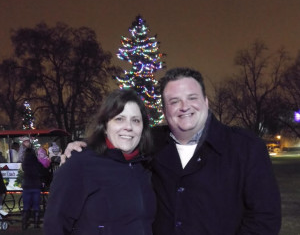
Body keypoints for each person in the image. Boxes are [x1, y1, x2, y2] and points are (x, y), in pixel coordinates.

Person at [63, 67, 281, 234]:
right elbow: (117, 141)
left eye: (192, 98)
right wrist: (84, 147)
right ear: (165, 109)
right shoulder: (151, 143)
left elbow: (265, 218)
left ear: (206, 101)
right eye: (174, 101)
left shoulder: (244, 147)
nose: (184, 107)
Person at [44, 89, 156, 235]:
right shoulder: (79, 164)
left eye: (135, 120)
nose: (128, 127)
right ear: (104, 127)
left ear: (142, 128)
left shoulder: (146, 167)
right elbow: (55, 226)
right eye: (119, 119)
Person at [21, 141, 49, 230]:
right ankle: (36, 224)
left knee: (26, 206)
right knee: (36, 205)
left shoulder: (24, 164)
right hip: (36, 186)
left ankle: (24, 224)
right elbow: (44, 172)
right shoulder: (37, 164)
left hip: (26, 187)